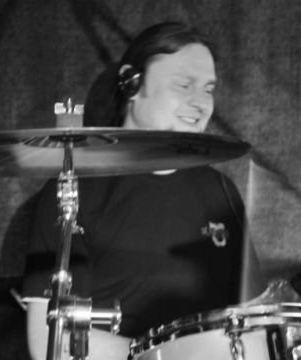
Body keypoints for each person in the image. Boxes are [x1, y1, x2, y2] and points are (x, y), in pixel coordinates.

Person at [22, 21, 266, 360]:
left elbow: (254, 325)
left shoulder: (220, 190)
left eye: (208, 90)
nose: (201, 103)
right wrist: (173, 354)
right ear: (131, 83)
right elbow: (50, 340)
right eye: (184, 84)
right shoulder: (72, 191)